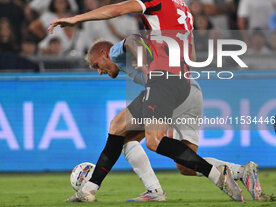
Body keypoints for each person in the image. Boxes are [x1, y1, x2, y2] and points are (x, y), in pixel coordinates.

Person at [49, 0, 243, 202]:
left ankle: (216, 175)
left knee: (154, 141)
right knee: (118, 126)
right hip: (179, 78)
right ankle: (89, 190)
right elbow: (191, 54)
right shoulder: (182, 4)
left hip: (164, 79)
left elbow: (116, 10)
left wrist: (77, 19)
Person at [84, 38, 262, 201]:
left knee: (121, 132)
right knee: (186, 166)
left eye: (96, 65)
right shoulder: (127, 60)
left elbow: (133, 38)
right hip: (192, 92)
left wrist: (143, 64)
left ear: (104, 53)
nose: (99, 71)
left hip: (168, 90)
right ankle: (241, 171)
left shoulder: (115, 52)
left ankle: (152, 190)